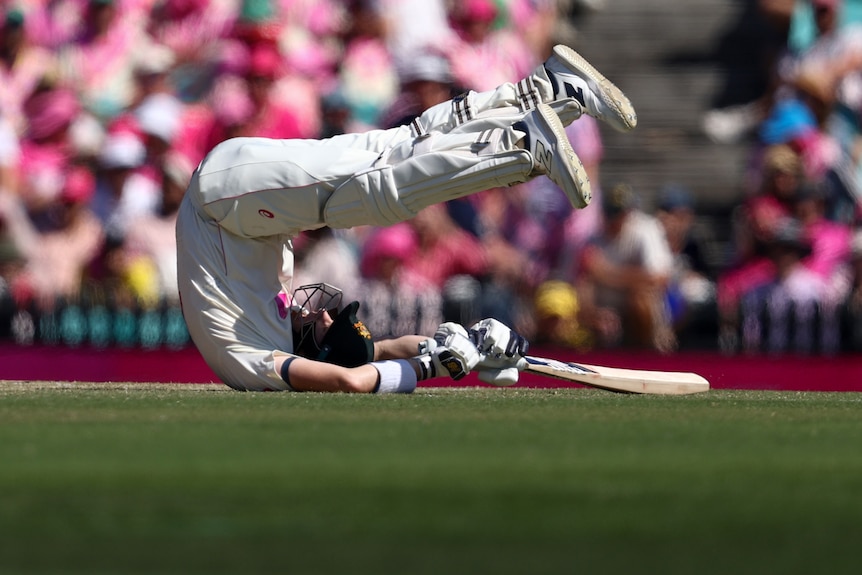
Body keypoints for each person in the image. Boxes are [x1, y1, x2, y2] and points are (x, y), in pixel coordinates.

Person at [175, 44, 637, 392]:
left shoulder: (251, 360)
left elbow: (351, 381)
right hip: (241, 201)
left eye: (326, 322)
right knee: (398, 147)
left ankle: (520, 148)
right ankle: (549, 90)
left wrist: (430, 369)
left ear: (319, 350)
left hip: (224, 199)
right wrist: (468, 348)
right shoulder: (291, 343)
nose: (320, 309)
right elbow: (378, 353)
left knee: (368, 197)